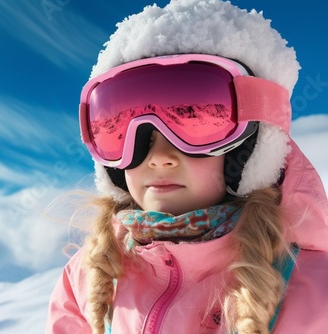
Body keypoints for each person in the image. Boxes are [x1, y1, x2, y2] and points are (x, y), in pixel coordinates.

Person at [45, 1, 328, 333]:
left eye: (196, 121)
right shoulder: (88, 278)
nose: (158, 157)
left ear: (251, 149)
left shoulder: (315, 293)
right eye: (121, 130)